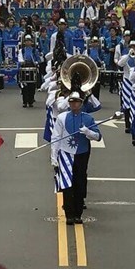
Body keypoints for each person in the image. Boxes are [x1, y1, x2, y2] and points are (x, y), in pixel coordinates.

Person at [51, 92, 102, 225]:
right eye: (72, 102)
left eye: (77, 102)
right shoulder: (61, 118)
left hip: (82, 153)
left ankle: (78, 214)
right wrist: (53, 156)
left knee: (79, 183)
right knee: (67, 184)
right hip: (65, 154)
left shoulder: (88, 118)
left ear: (81, 103)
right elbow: (56, 137)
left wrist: (88, 132)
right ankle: (69, 214)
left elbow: (98, 137)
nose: (74, 104)